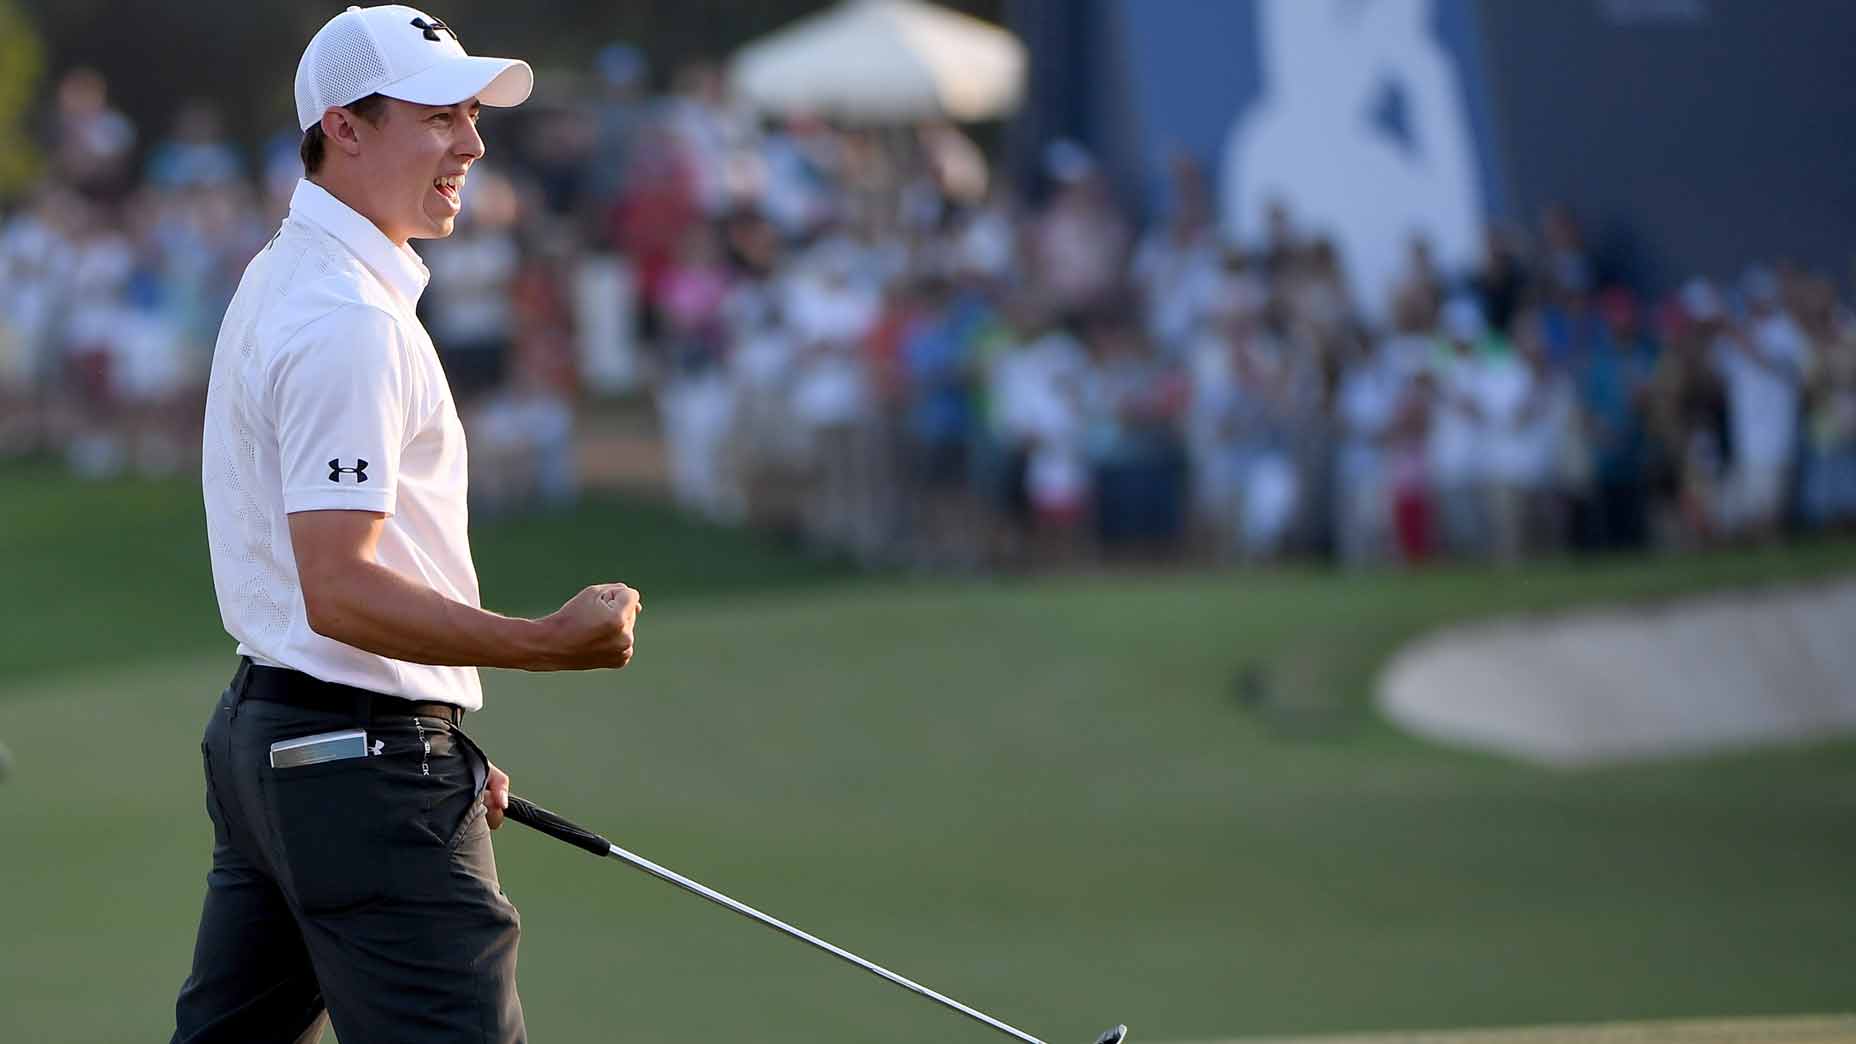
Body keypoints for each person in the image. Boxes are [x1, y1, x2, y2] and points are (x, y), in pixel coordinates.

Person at [173, 8, 639, 1043]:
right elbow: (339, 586)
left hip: (283, 744)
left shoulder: (289, 273)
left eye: (472, 117)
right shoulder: (346, 319)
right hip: (353, 766)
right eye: (440, 118)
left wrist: (428, 721)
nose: (472, 145)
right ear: (344, 127)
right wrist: (541, 647)